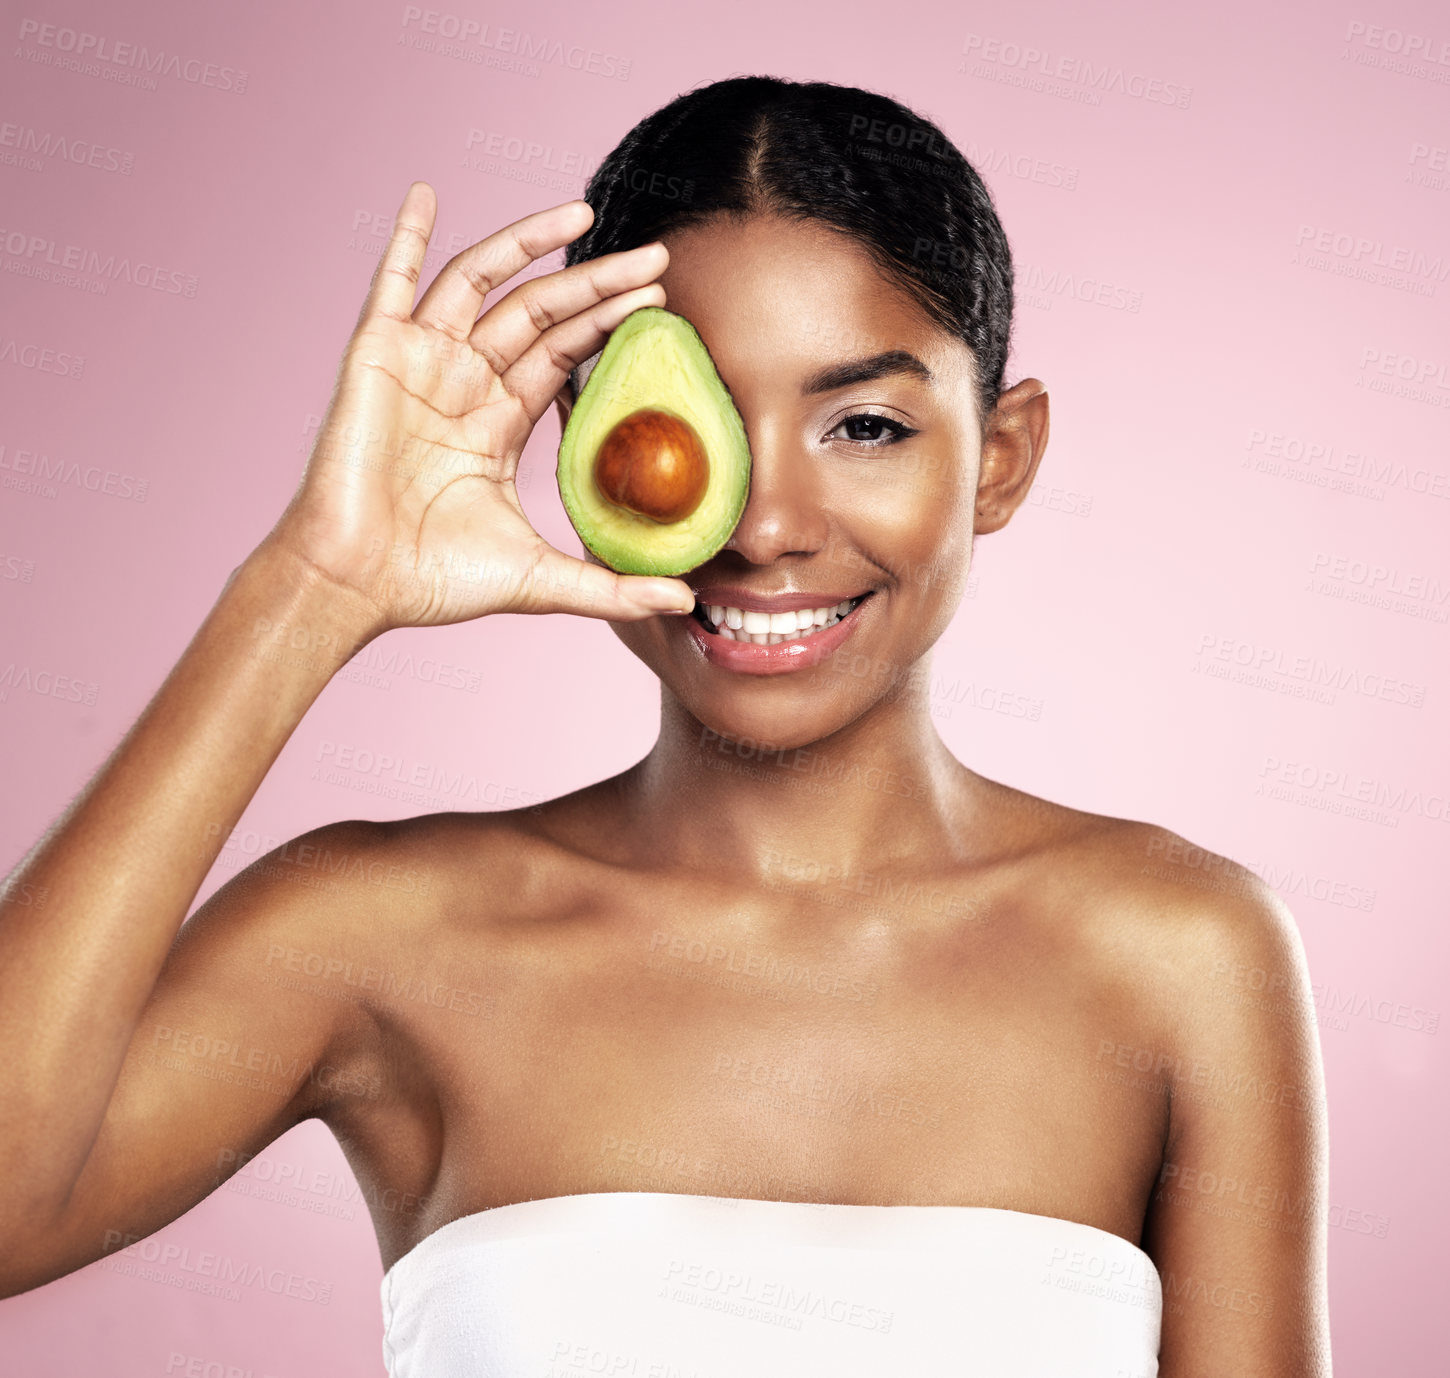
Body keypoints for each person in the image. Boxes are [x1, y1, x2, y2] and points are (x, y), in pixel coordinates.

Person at [0, 76, 1329, 1375]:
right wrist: (310, 584)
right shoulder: (377, 930)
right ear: (567, 444)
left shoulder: (1181, 952)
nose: (760, 527)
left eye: (862, 424)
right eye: (677, 426)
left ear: (998, 457)